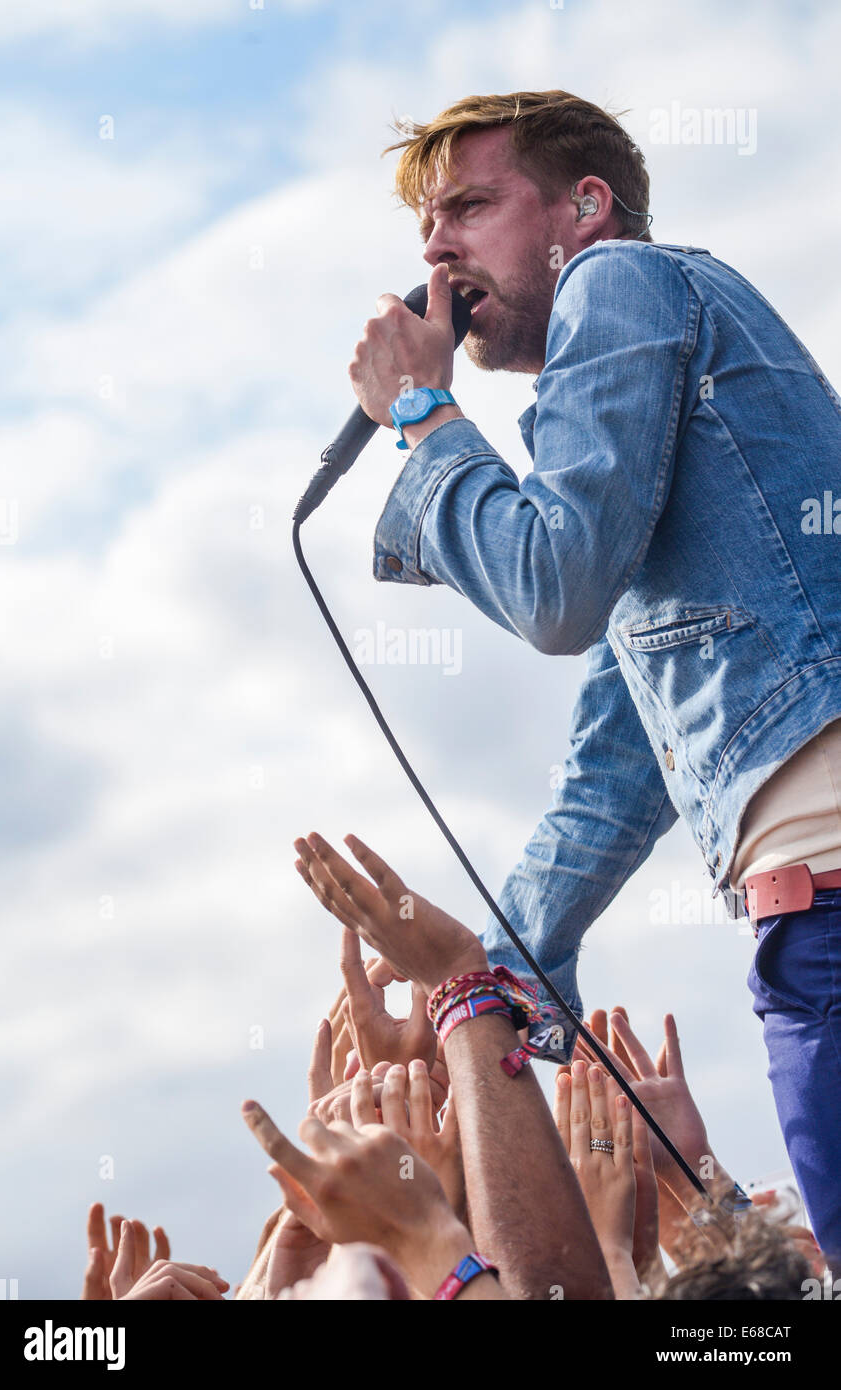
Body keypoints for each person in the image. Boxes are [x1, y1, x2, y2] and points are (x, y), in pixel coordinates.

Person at [345, 88, 841, 1256]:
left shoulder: (616, 283)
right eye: (426, 225)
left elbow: (553, 588)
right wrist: (485, 989)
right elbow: (615, 770)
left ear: (586, 204)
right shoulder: (656, 444)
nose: (436, 248)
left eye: (469, 204)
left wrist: (421, 417)